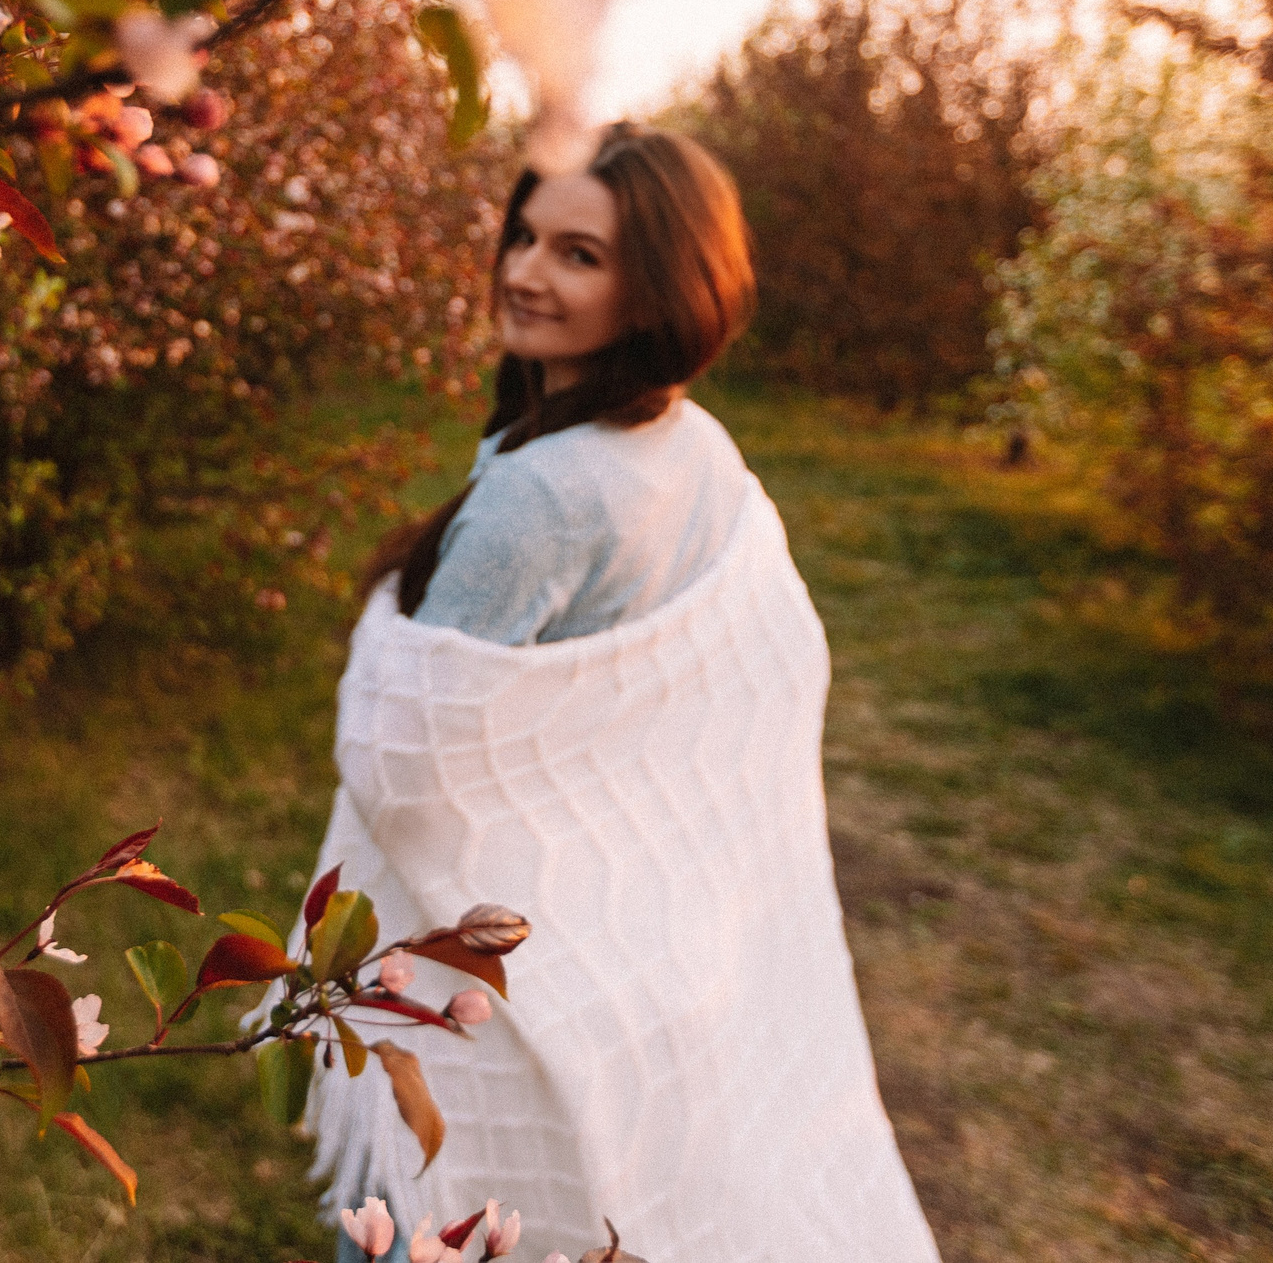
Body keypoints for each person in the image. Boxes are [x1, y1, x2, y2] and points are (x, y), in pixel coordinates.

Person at [306, 124, 942, 1263]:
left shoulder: (545, 492)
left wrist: (378, 651)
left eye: (578, 255)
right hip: (643, 950)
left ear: (659, 286)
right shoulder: (692, 445)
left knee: (435, 1221)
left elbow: (410, 757)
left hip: (494, 971)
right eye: (524, 235)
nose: (524, 272)